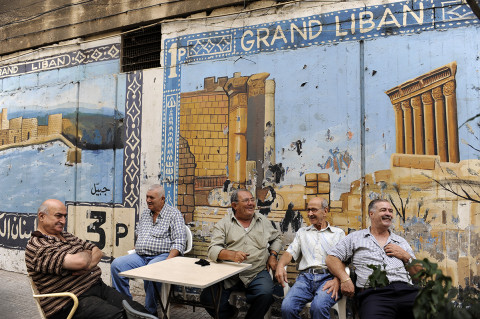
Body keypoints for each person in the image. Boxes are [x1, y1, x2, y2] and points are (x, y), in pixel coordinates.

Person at [25, 199, 150, 319]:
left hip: (97, 287)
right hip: (69, 303)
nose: (63, 221)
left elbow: (98, 251)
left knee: (139, 312)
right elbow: (82, 261)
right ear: (41, 217)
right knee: (118, 316)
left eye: (64, 216)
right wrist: (86, 255)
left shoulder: (66, 236)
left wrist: (88, 265)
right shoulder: (37, 246)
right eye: (58, 216)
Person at [326, 199, 420, 319]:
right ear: (371, 214)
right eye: (383, 210)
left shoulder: (401, 242)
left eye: (390, 211)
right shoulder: (355, 238)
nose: (388, 213)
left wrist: (406, 257)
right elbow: (331, 258)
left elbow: (419, 275)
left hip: (405, 290)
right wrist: (344, 279)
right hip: (374, 293)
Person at [200, 189, 282, 319]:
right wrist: (231, 255)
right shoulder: (224, 224)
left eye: (252, 200)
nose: (251, 203)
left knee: (265, 294)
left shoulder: (263, 221)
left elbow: (276, 238)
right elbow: (213, 249)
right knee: (207, 297)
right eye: (246, 201)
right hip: (229, 274)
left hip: (256, 272)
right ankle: (230, 315)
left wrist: (273, 255)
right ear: (234, 205)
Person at [111, 184, 186, 315]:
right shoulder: (145, 214)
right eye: (147, 197)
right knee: (116, 265)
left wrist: (169, 260)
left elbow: (179, 242)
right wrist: (137, 248)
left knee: (151, 271)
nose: (148, 200)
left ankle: (150, 311)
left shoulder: (174, 214)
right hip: (140, 256)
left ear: (162, 199)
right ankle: (127, 305)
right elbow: (139, 233)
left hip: (162, 256)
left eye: (152, 197)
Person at [276, 197, 345, 319]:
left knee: (318, 307)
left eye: (314, 210)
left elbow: (344, 260)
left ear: (325, 211)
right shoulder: (302, 232)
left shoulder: (338, 234)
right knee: (287, 307)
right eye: (308, 210)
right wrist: (280, 265)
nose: (310, 214)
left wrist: (337, 280)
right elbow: (289, 253)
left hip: (328, 278)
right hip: (305, 279)